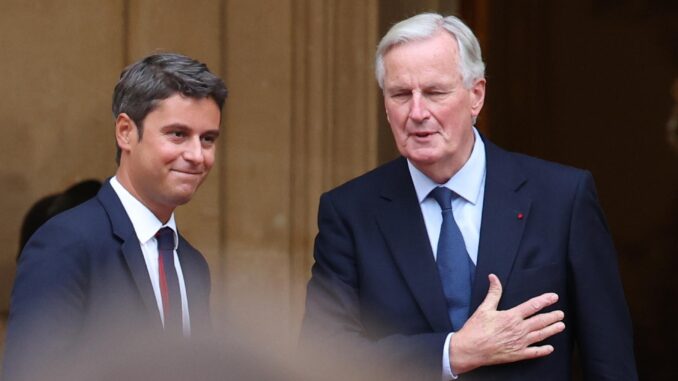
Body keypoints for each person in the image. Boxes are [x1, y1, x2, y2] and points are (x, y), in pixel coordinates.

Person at [301, 13, 637, 380]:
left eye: (434, 92)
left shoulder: (561, 198)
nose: (417, 112)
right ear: (385, 104)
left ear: (476, 95)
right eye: (400, 94)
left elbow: (609, 361)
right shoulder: (350, 212)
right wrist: (450, 353)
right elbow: (323, 354)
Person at [2, 53, 227, 380]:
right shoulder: (66, 243)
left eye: (207, 138)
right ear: (125, 132)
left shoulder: (192, 265)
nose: (197, 155)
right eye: (177, 134)